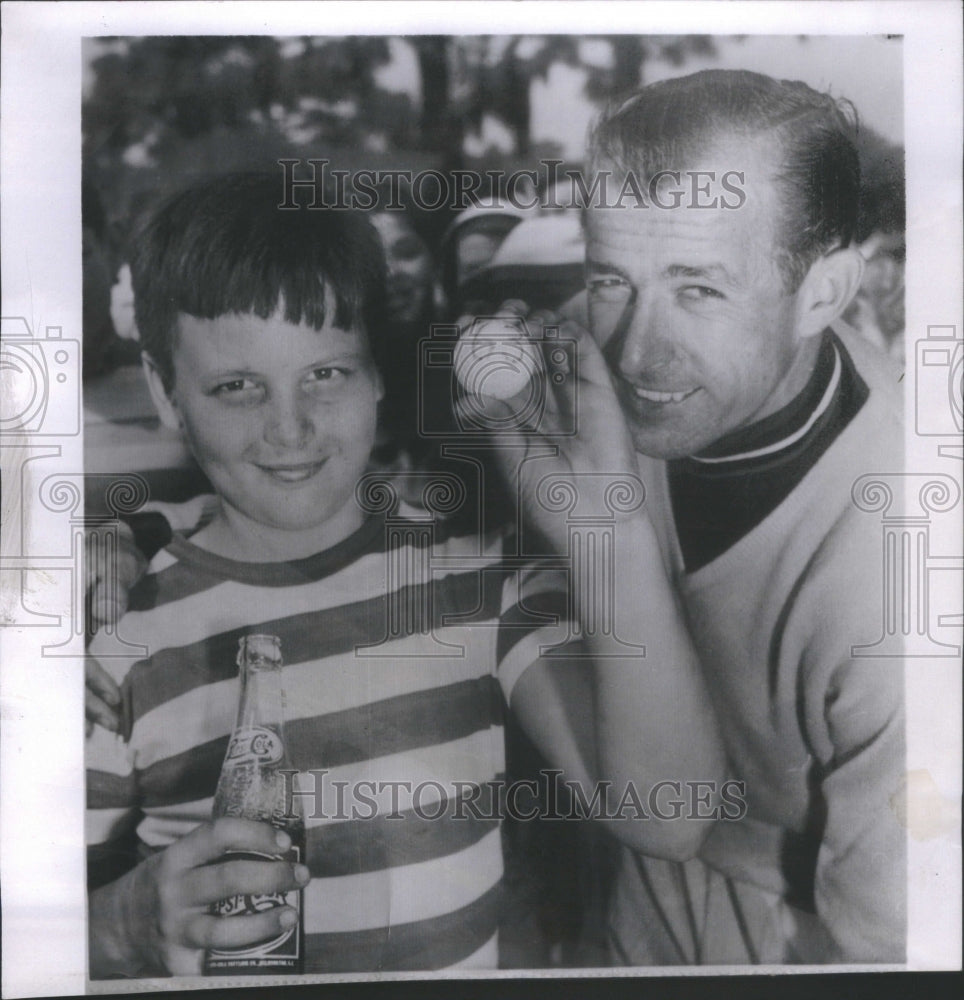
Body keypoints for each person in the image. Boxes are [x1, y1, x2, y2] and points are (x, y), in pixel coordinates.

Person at [85, 172, 724, 977]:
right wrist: (114, 926)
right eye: (237, 387)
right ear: (166, 394)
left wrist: (611, 527)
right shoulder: (113, 631)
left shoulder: (480, 583)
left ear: (377, 372)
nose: (291, 429)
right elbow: (42, 930)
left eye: (326, 372)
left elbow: (674, 819)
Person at [549, 69, 903, 963]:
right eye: (610, 281)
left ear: (822, 294)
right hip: (629, 882)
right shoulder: (587, 377)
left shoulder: (906, 572)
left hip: (808, 935)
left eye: (698, 289)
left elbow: (896, 947)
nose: (635, 349)